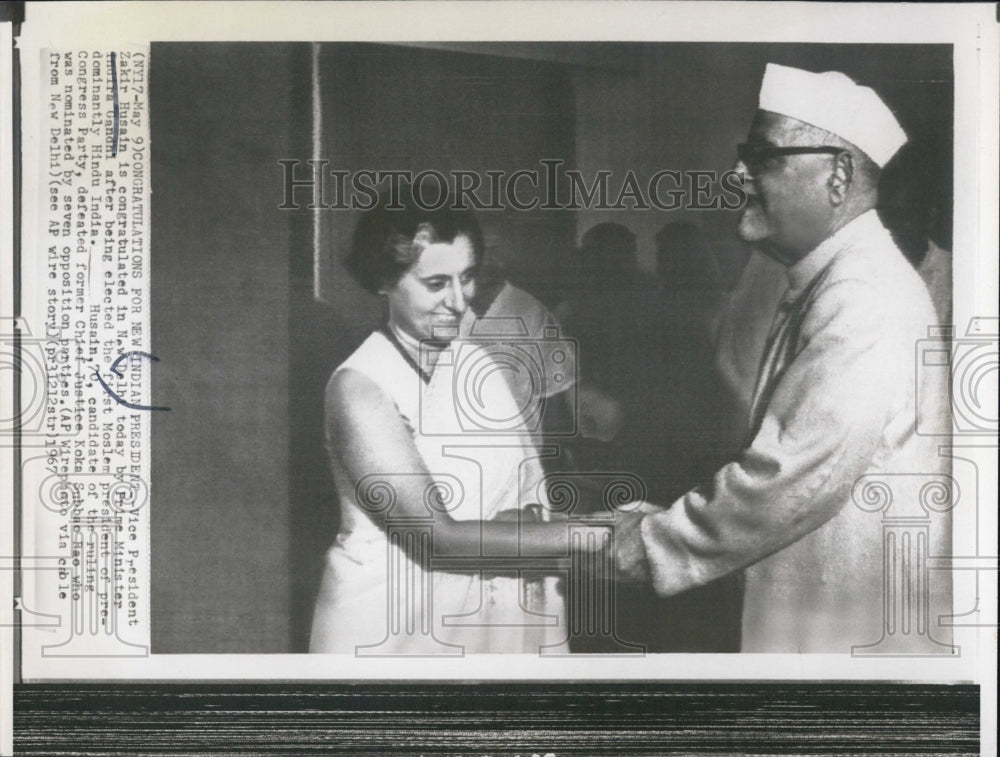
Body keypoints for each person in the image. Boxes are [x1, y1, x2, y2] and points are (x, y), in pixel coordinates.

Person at [613, 63, 952, 653]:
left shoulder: (864, 296)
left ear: (838, 176)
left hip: (847, 631)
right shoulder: (827, 280)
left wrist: (653, 543)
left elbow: (789, 478)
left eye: (764, 157)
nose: (737, 174)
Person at [309, 195, 608, 655]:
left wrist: (574, 518)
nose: (458, 300)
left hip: (487, 617)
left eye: (466, 277)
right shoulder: (360, 387)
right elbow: (437, 539)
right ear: (384, 282)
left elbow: (522, 498)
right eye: (435, 283)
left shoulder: (475, 362)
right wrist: (595, 535)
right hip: (390, 626)